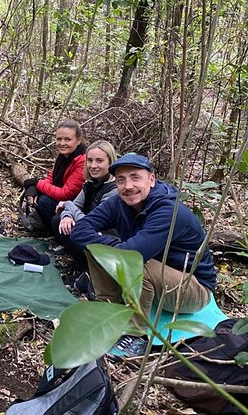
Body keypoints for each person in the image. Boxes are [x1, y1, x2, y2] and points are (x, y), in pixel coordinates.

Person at [71, 153, 217, 357]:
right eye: (121, 180)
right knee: (96, 248)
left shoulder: (168, 211)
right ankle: (108, 306)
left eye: (135, 177)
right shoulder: (119, 202)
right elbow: (80, 230)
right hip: (160, 279)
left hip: (192, 289)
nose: (128, 185)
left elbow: (134, 254)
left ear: (152, 180)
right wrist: (112, 244)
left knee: (137, 263)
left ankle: (135, 335)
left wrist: (115, 246)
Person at [51, 140, 118, 275]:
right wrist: (67, 215)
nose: (93, 166)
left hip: (107, 237)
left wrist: (66, 204)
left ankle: (89, 269)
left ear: (110, 162)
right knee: (58, 220)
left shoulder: (114, 190)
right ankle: (80, 264)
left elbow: (93, 223)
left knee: (80, 231)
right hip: (89, 227)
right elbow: (75, 205)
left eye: (99, 161)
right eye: (90, 160)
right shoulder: (90, 183)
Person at [21, 120, 86, 234]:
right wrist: (34, 187)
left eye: (67, 139)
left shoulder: (83, 161)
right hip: (63, 201)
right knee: (39, 195)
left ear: (78, 141)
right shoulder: (62, 157)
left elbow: (66, 193)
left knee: (44, 201)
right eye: (59, 139)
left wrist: (36, 182)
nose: (62, 143)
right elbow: (50, 178)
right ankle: (45, 227)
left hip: (77, 206)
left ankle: (58, 235)